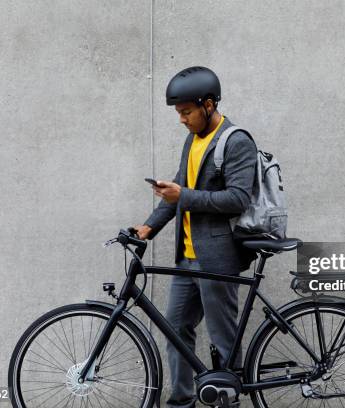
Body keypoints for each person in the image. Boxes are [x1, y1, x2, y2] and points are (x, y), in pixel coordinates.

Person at [134, 66, 257, 408]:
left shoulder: (237, 141)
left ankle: (228, 402)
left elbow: (238, 198)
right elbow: (178, 189)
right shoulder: (193, 140)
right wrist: (146, 228)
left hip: (217, 258)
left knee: (223, 339)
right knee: (175, 330)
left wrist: (182, 197)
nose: (182, 120)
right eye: (178, 113)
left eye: (186, 112)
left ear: (207, 104)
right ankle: (182, 401)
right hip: (187, 259)